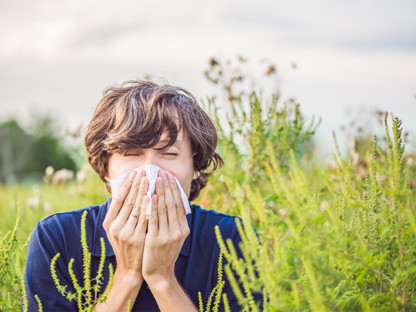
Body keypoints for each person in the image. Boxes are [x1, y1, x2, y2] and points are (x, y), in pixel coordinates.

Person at [23, 80, 262, 311]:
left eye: (168, 153)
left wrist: (162, 279)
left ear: (196, 165)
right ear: (105, 167)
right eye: (131, 154)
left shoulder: (231, 238)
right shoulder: (57, 238)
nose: (150, 172)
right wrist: (127, 274)